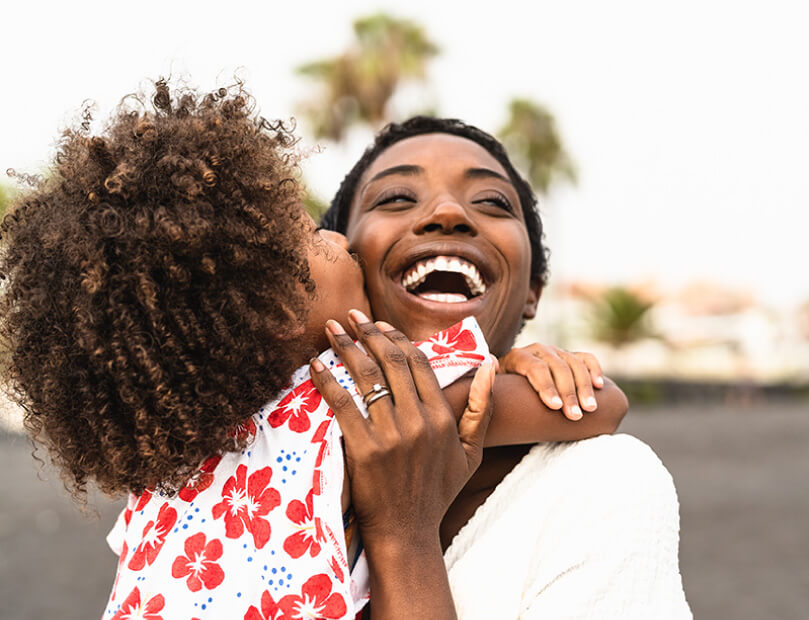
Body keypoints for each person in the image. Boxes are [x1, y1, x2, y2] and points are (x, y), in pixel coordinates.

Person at [0, 83, 626, 619]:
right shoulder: (347, 398)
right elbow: (594, 405)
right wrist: (515, 363)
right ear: (273, 309)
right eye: (307, 236)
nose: (331, 235)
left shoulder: (164, 492)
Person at [320, 116, 692, 618]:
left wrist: (402, 537)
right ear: (342, 256)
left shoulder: (599, 485)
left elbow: (603, 403)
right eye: (395, 199)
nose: (447, 213)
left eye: (492, 203)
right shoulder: (242, 442)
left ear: (534, 290)